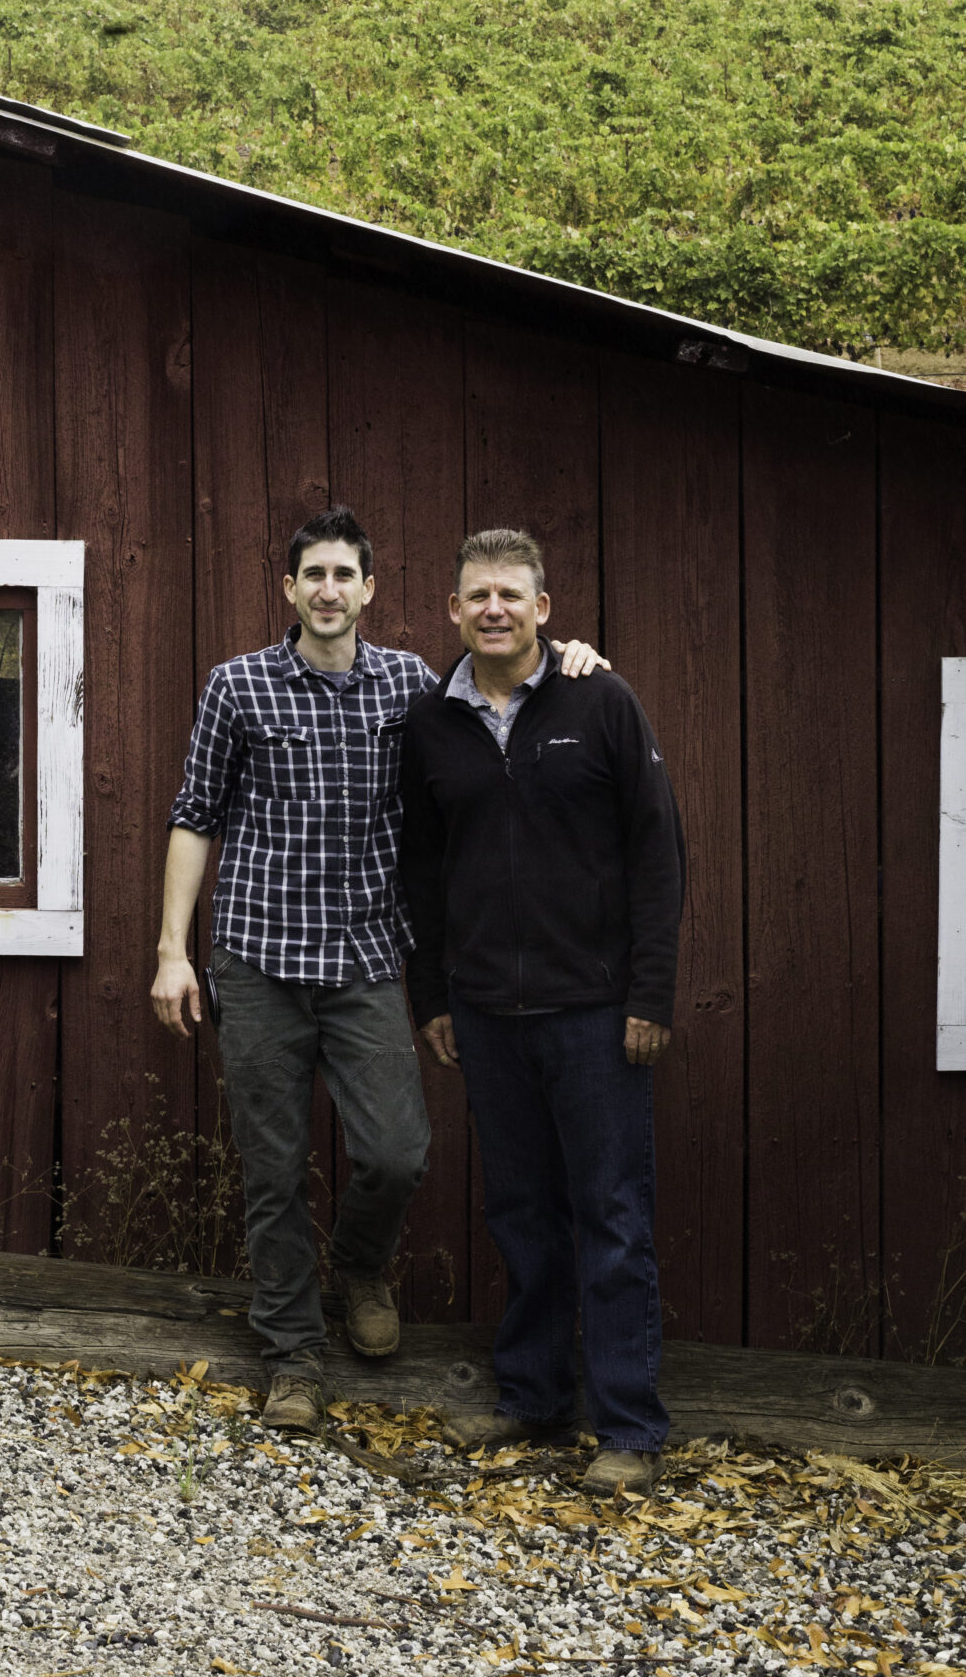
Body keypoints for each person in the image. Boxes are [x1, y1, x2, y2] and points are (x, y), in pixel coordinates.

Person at [150, 506, 607, 1433]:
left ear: (369, 589)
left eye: (342, 576)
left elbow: (503, 681)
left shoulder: (409, 685)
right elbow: (194, 815)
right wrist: (171, 952)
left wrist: (573, 660)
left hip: (364, 961)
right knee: (273, 1172)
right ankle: (293, 1356)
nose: (326, 591)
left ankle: (360, 1264)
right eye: (310, 575)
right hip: (257, 960)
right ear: (289, 589)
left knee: (397, 1154)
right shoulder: (236, 687)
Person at [399, 528, 685, 1497]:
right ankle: (532, 1400)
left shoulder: (599, 699)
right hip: (484, 1013)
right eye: (476, 593)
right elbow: (424, 871)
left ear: (543, 607)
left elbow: (657, 852)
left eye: (511, 595)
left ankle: (630, 1428)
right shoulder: (430, 724)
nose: (494, 609)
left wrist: (650, 994)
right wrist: (432, 994)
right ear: (453, 608)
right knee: (522, 1213)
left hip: (596, 1015)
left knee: (611, 1217)